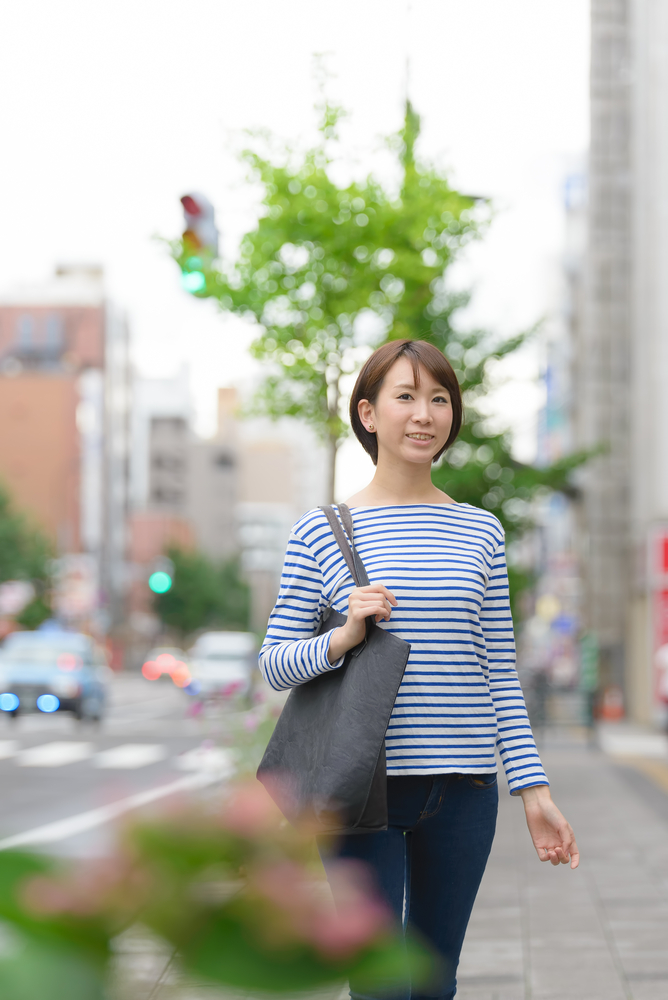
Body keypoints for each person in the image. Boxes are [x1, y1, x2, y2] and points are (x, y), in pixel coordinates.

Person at [259, 339, 579, 1000]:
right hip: (359, 791)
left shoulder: (481, 533)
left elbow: (498, 672)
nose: (425, 414)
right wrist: (342, 637)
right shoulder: (320, 531)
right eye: (405, 396)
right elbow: (274, 664)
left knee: (436, 984)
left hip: (462, 792)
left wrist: (534, 791)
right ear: (369, 414)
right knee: (379, 987)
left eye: (439, 399)